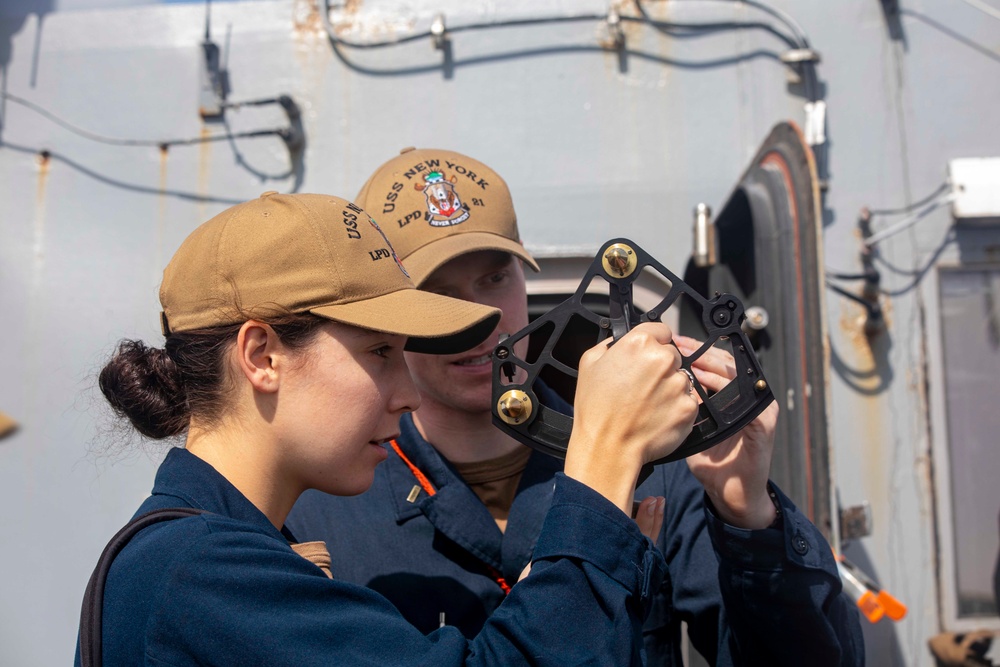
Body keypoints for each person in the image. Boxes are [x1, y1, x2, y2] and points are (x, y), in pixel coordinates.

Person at [286, 148, 865, 665]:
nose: (480, 320)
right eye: (438, 295)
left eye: (494, 279)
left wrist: (750, 518)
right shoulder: (325, 507)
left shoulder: (658, 467)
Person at [77, 191, 702, 665]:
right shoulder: (201, 572)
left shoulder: (215, 556)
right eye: (379, 353)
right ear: (262, 356)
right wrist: (604, 458)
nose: (406, 395)